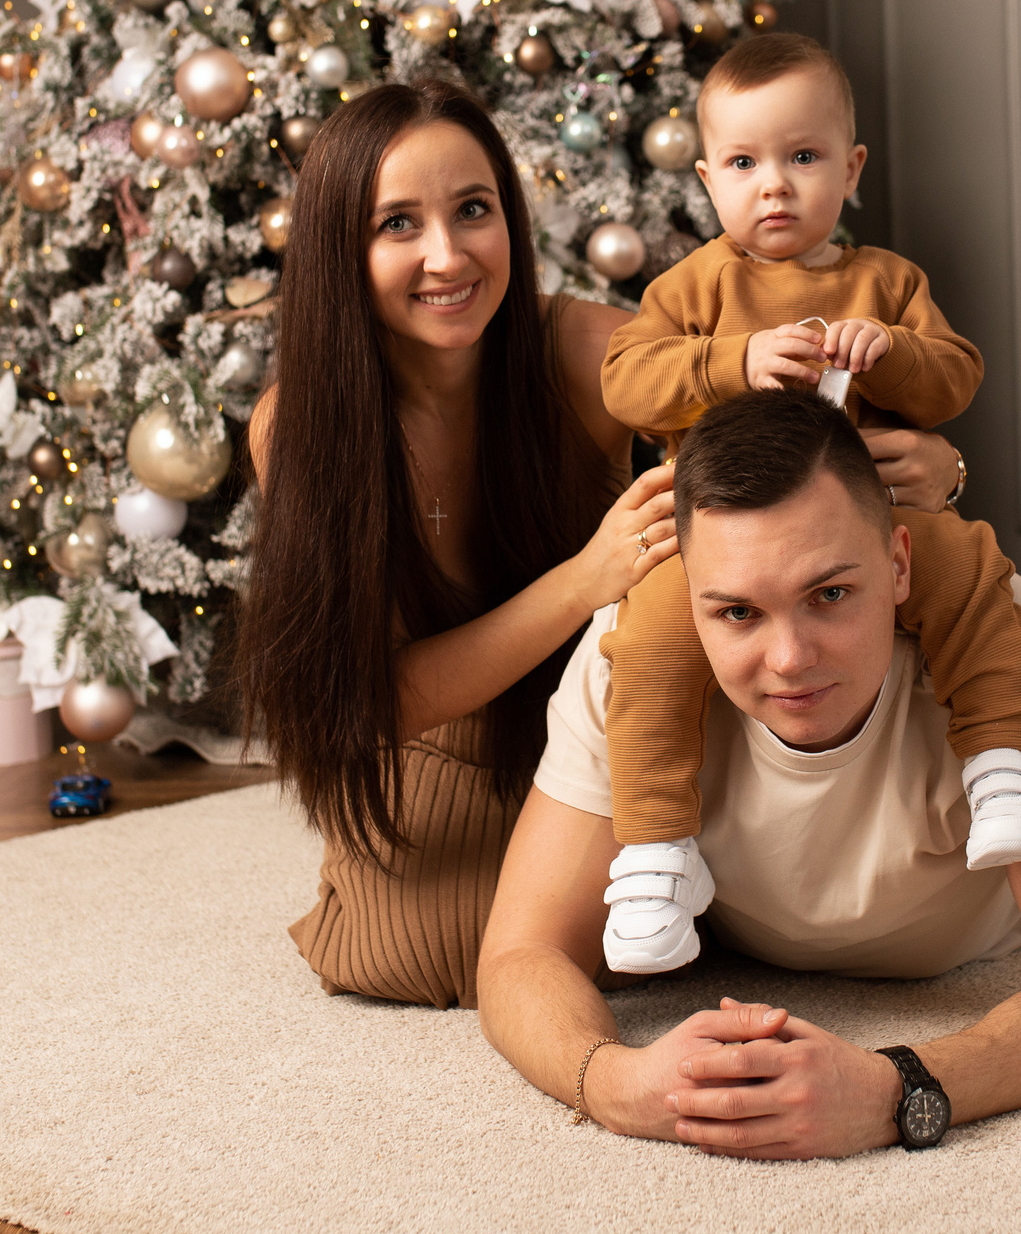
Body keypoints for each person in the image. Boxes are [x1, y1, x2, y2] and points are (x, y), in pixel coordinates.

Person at [237, 80, 969, 1008]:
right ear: (341, 245)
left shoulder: (588, 347)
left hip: (613, 727)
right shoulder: (298, 427)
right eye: (396, 225)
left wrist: (935, 467)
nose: (446, 255)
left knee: (800, 884)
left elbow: (796, 450)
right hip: (435, 752)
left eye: (473, 210)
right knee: (431, 954)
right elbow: (370, 703)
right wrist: (588, 578)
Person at [478, 389, 1021, 1157]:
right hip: (748, 941)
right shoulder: (633, 655)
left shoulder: (1020, 645)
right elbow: (519, 954)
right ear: (689, 600)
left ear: (900, 563)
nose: (790, 659)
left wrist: (895, 1087)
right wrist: (617, 1083)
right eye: (738, 612)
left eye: (829, 594)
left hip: (973, 943)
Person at [590, 34, 1021, 975]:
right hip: (721, 545)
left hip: (870, 524)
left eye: (802, 157)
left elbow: (957, 378)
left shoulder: (886, 282)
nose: (774, 184)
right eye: (744, 163)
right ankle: (653, 853)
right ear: (706, 179)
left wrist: (892, 349)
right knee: (647, 634)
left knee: (970, 570)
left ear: (849, 170)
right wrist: (735, 362)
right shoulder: (694, 287)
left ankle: (1006, 767)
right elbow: (624, 382)